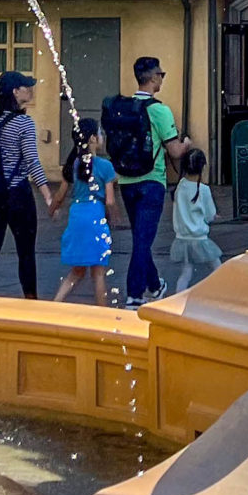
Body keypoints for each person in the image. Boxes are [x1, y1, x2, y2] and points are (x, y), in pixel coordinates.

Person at [102, 57, 187, 308]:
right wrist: (188, 146)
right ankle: (135, 295)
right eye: (161, 74)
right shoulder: (160, 110)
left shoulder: (123, 109)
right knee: (142, 240)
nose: (162, 78)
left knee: (142, 237)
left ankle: (154, 286)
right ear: (153, 78)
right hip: (152, 180)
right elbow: (174, 151)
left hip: (127, 180)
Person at [0, 72, 54, 299]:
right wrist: (48, 195)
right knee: (25, 252)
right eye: (26, 86)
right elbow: (32, 161)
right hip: (17, 194)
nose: (30, 90)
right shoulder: (23, 122)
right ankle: (31, 300)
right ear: (16, 92)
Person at [52, 117, 119, 306]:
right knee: (98, 272)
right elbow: (110, 200)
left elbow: (60, 196)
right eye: (99, 133)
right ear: (92, 139)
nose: (101, 136)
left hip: (76, 215)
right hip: (95, 215)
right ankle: (102, 313)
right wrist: (115, 216)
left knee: (77, 270)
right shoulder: (105, 166)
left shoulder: (72, 165)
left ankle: (55, 304)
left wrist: (52, 209)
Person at [170, 147, 223, 292]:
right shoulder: (204, 190)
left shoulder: (179, 187)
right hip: (200, 239)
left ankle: (177, 299)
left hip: (182, 238)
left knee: (185, 273)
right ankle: (221, 295)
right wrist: (214, 217)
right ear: (203, 167)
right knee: (218, 268)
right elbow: (209, 215)